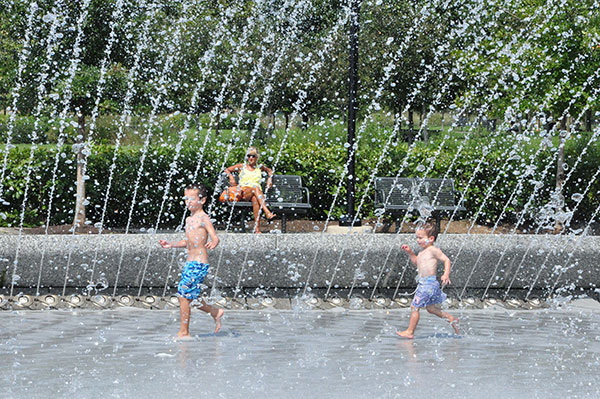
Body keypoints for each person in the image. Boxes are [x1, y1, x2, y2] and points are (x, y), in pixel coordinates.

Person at [159, 183, 224, 338]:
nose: (188, 202)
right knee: (189, 296)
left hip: (199, 263)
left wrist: (214, 242)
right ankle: (215, 312)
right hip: (190, 262)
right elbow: (188, 242)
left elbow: (215, 237)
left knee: (184, 296)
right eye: (186, 198)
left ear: (202, 200)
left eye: (192, 199)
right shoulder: (189, 220)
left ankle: (184, 332)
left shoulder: (204, 218)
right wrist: (171, 244)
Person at [396, 222, 459, 339]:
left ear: (431, 238)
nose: (418, 240)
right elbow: (417, 262)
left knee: (415, 307)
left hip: (428, 284)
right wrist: (410, 253)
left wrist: (446, 274)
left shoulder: (433, 250)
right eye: (417, 238)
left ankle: (410, 331)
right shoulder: (421, 252)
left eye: (420, 238)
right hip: (427, 284)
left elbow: (446, 260)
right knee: (431, 309)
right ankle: (451, 318)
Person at [224, 146, 275, 233]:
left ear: (257, 157)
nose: (250, 158)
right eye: (249, 156)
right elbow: (226, 170)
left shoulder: (260, 167)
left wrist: (269, 179)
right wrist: (231, 177)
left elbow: (270, 171)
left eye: (253, 156)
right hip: (244, 192)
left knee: (255, 199)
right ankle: (267, 211)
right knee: (255, 188)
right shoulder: (241, 166)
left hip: (256, 194)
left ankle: (257, 228)